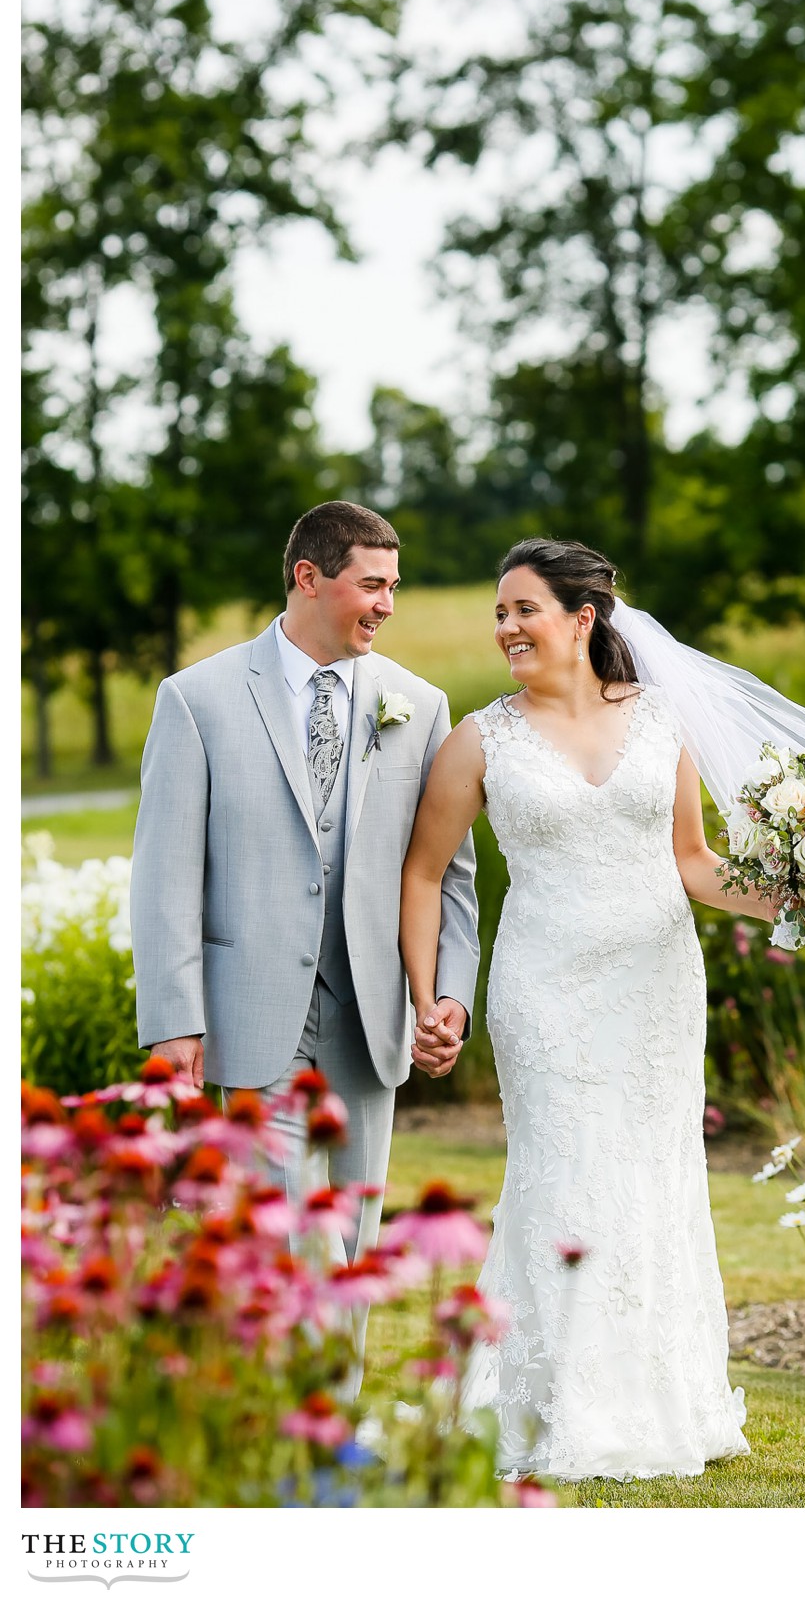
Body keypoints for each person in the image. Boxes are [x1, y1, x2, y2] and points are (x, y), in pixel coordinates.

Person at [399, 538, 774, 1481]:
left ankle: (661, 1398)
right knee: (563, 1175)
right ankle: (560, 1403)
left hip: (655, 985)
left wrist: (792, 894)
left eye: (523, 609)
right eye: (498, 613)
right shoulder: (480, 740)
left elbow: (692, 862)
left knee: (650, 1179)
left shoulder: (661, 719)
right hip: (545, 989)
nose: (506, 629)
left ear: (582, 619)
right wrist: (426, 997)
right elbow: (422, 872)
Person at [130, 501, 479, 1381]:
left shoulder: (421, 705)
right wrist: (172, 1021)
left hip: (369, 1018)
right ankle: (272, 1425)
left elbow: (450, 876)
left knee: (352, 1240)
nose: (388, 604)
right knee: (272, 1238)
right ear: (308, 577)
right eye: (373, 584)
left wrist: (447, 994)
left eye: (394, 587)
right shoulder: (198, 699)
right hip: (248, 1019)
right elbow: (164, 874)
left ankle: (336, 1427)